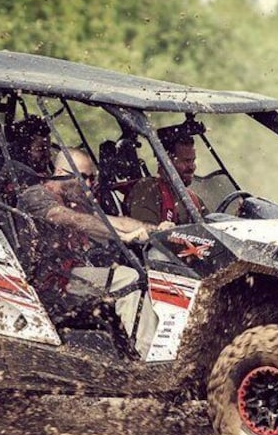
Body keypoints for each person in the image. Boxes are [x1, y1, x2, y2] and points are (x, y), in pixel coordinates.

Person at [19, 148, 173, 355]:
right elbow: (71, 218)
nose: (89, 184)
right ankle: (150, 356)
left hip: (72, 274)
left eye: (92, 177)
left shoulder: (76, 199)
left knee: (137, 273)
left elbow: (110, 220)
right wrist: (122, 236)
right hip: (47, 280)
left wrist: (153, 230)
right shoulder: (36, 195)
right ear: (60, 171)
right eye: (82, 177)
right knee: (129, 278)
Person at [124, 123, 207, 225]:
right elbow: (145, 235)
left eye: (193, 161)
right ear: (166, 160)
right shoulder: (148, 190)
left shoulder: (192, 199)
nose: (192, 167)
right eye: (186, 161)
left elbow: (213, 230)